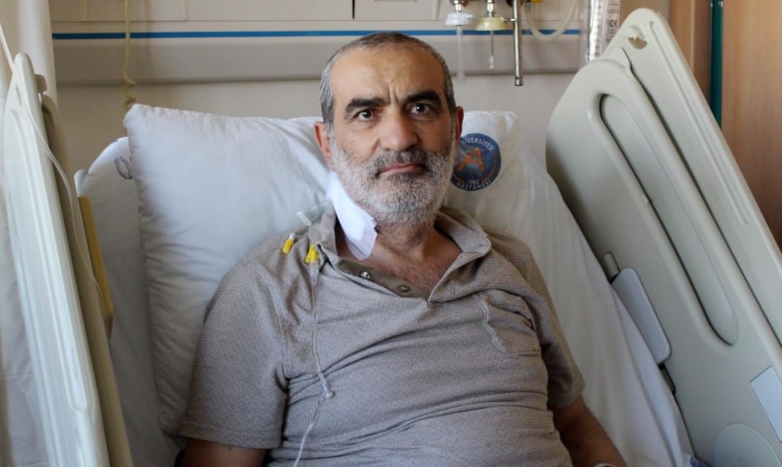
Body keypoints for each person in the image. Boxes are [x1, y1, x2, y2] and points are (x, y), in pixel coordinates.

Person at [179, 32, 626, 466]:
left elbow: (574, 424)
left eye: (420, 108)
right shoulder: (269, 289)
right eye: (366, 114)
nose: (400, 137)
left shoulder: (508, 261)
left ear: (455, 128)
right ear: (327, 144)